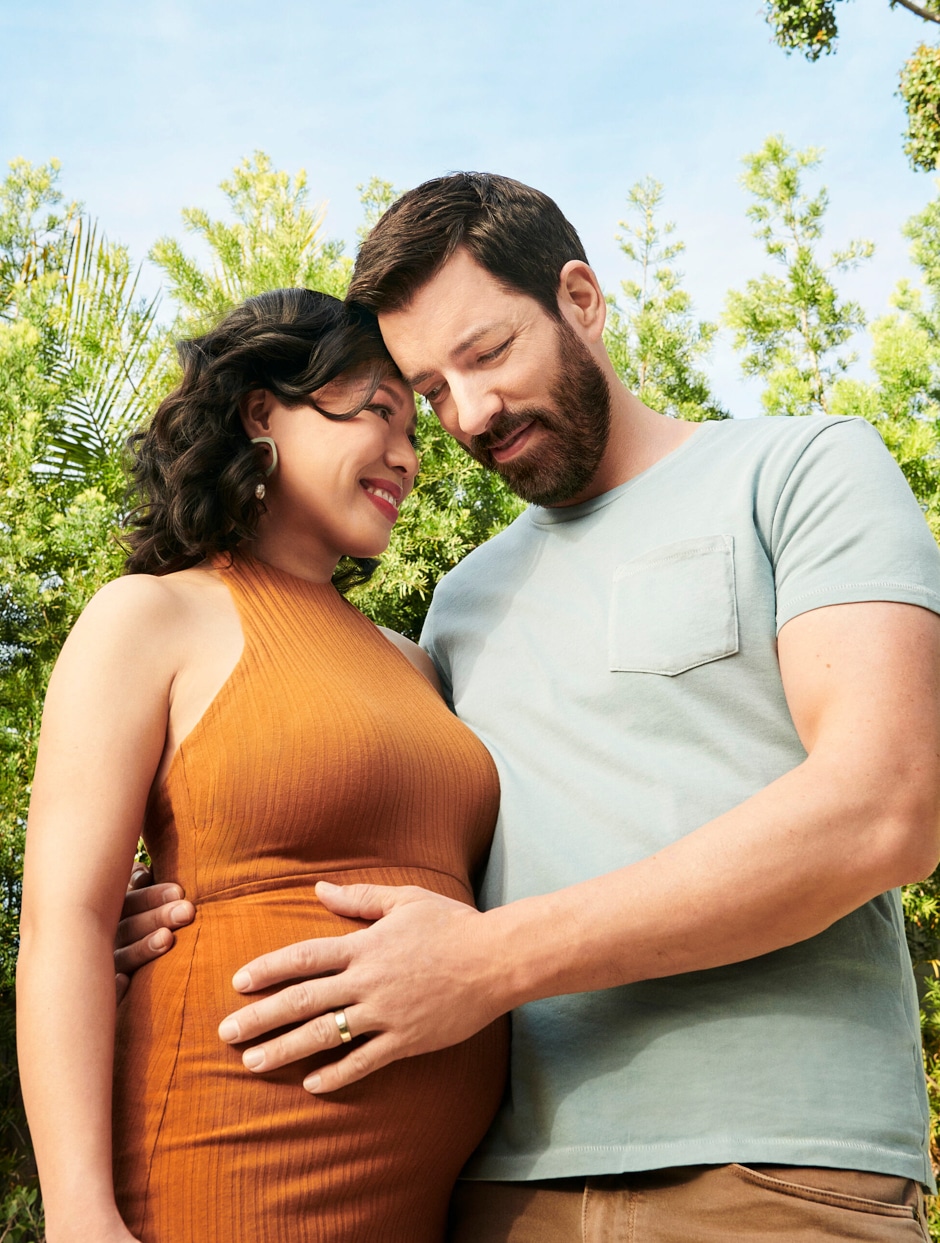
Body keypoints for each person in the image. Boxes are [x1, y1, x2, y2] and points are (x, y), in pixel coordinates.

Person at [118, 176, 940, 1241]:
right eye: (427, 388)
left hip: (773, 1173)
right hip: (496, 1194)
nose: (468, 415)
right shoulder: (459, 607)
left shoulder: (800, 469)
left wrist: (490, 962)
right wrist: (179, 905)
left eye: (488, 351)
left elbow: (886, 807)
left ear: (583, 299)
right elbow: (392, 836)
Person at [16, 287, 508, 1243]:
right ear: (260, 411)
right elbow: (63, 920)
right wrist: (79, 1213)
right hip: (225, 1163)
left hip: (428, 1205)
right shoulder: (150, 617)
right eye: (378, 410)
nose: (408, 456)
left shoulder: (416, 661)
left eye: (417, 431)